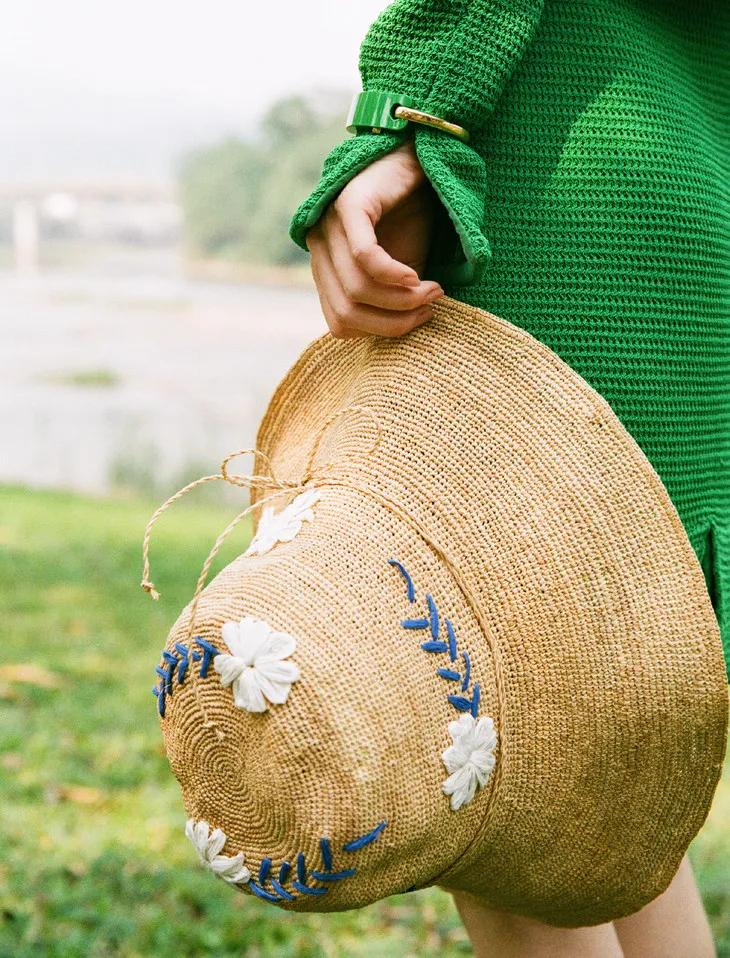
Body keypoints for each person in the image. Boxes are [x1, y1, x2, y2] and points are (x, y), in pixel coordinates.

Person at [289, 1, 728, 954]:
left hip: (563, 174)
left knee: (512, 781)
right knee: (595, 770)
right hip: (686, 193)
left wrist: (412, 112)